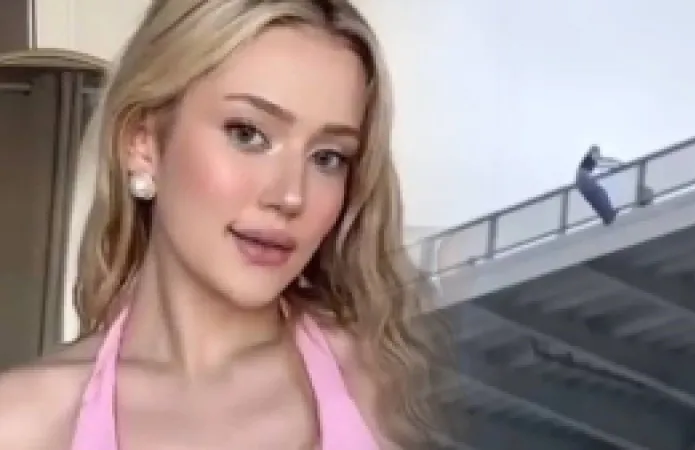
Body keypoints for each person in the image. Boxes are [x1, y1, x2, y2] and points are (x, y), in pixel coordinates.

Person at [0, 1, 441, 449]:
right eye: (248, 134)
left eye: (328, 157)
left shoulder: (377, 381)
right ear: (143, 143)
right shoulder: (23, 422)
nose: (291, 196)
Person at [576, 145, 623, 225]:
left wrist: (613, 164)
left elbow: (601, 163)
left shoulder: (587, 160)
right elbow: (603, 161)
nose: (599, 154)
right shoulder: (590, 157)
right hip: (583, 177)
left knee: (593, 198)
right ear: (593, 152)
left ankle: (606, 217)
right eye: (598, 152)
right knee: (600, 192)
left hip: (580, 183)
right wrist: (617, 163)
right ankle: (609, 212)